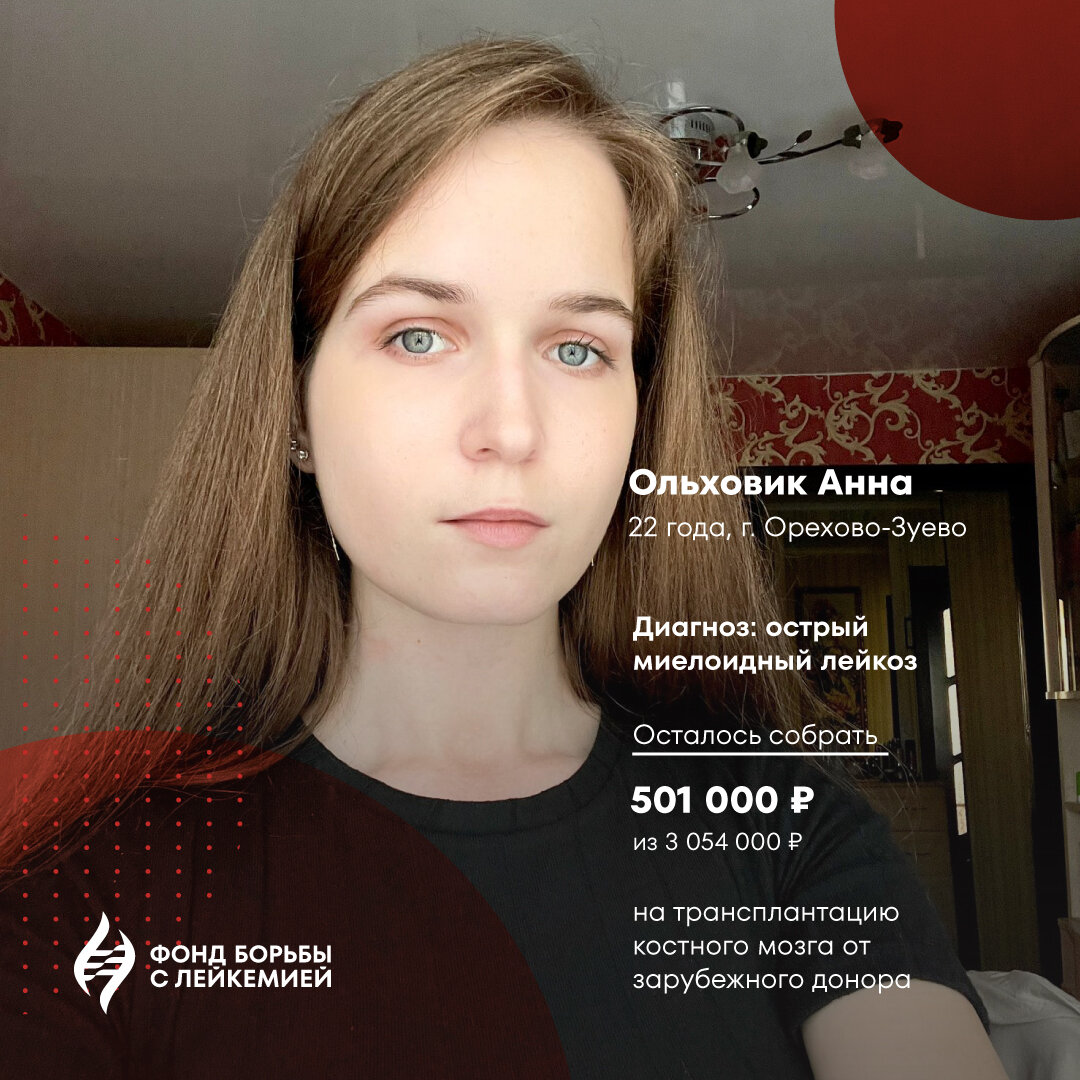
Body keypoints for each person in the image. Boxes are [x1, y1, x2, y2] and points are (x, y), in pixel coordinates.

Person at [0, 34, 1008, 1079]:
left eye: (578, 349)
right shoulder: (100, 887)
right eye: (419, 336)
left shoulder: (785, 839)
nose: (513, 429)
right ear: (295, 408)